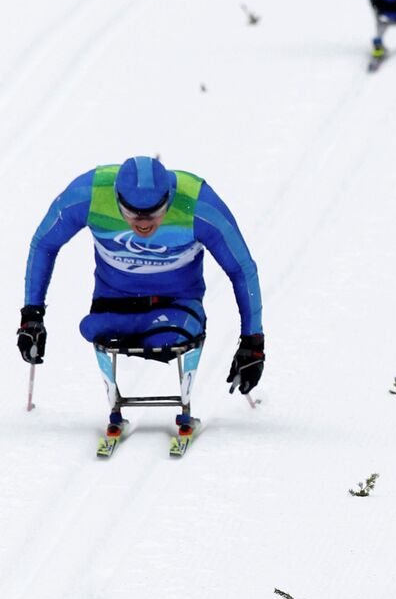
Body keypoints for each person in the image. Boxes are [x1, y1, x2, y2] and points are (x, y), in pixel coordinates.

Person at [17, 156, 265, 426]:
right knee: (91, 328)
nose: (144, 224)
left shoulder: (198, 203)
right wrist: (32, 315)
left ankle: (155, 335)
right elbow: (44, 243)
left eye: (155, 214)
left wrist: (253, 343)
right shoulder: (88, 194)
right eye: (133, 215)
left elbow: (241, 269)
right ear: (116, 199)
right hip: (114, 303)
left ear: (169, 199)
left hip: (176, 306)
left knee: (169, 338)